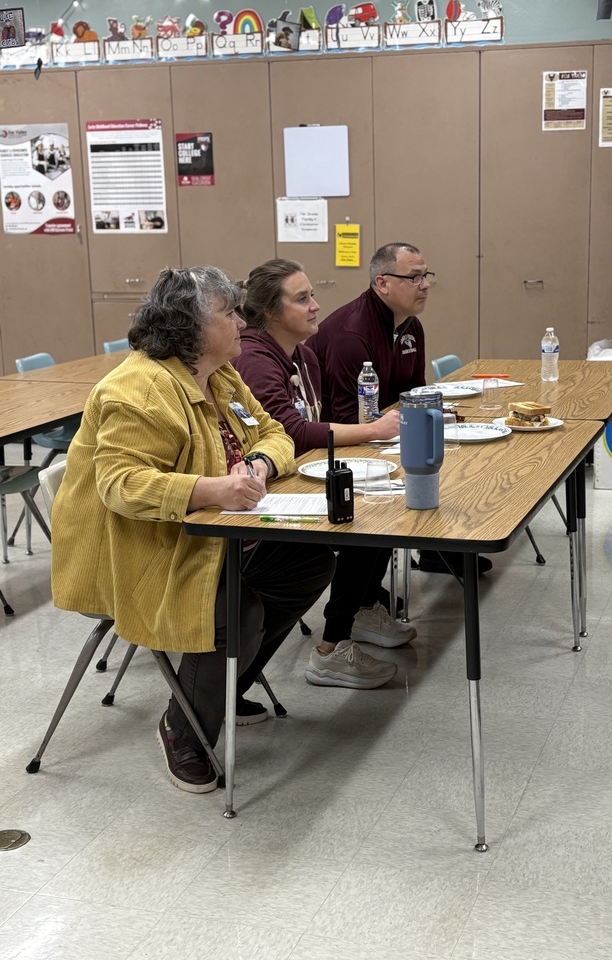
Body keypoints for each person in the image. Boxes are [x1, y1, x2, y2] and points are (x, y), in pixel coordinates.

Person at [50, 266, 336, 794]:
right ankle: (184, 730)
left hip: (216, 536)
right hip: (144, 550)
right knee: (237, 613)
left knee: (310, 561)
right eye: (228, 313)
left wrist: (258, 466)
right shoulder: (138, 389)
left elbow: (276, 433)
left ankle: (220, 689)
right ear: (192, 328)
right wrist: (211, 490)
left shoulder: (220, 374)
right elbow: (121, 485)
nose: (239, 321)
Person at [233, 258, 413, 695]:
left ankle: (362, 611)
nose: (316, 306)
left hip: (295, 480)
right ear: (272, 313)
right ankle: (331, 649)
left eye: (312, 295)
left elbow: (319, 427)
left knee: (380, 501)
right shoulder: (256, 359)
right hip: (261, 498)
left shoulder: (306, 356)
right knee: (357, 521)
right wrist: (372, 430)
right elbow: (291, 435)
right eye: (302, 298)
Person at [307, 241, 492, 576]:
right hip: (340, 446)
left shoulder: (410, 326)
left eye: (426, 276)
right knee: (415, 467)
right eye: (414, 277)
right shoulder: (350, 334)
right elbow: (349, 418)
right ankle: (355, 606)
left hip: (386, 435)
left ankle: (436, 547)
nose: (425, 285)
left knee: (445, 452)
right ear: (382, 283)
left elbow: (414, 395)